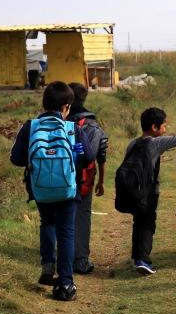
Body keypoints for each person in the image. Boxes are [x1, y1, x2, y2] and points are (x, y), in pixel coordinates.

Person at [10, 81, 95, 301]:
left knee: (47, 223)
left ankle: (48, 267)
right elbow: (90, 157)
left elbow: (16, 158)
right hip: (68, 190)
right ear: (66, 107)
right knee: (66, 232)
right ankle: (65, 284)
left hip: (40, 189)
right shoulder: (73, 129)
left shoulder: (31, 126)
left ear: (44, 103)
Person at [126, 107, 176, 275]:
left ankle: (137, 257)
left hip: (133, 192)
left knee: (138, 223)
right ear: (154, 128)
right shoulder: (155, 143)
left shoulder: (132, 144)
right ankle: (143, 261)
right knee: (148, 225)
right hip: (149, 193)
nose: (165, 129)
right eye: (164, 126)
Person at [67, 82, 109, 275]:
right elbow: (100, 153)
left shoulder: (62, 122)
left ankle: (62, 256)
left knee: (62, 214)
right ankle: (81, 259)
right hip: (85, 178)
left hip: (60, 176)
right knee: (83, 215)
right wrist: (101, 180)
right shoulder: (92, 124)